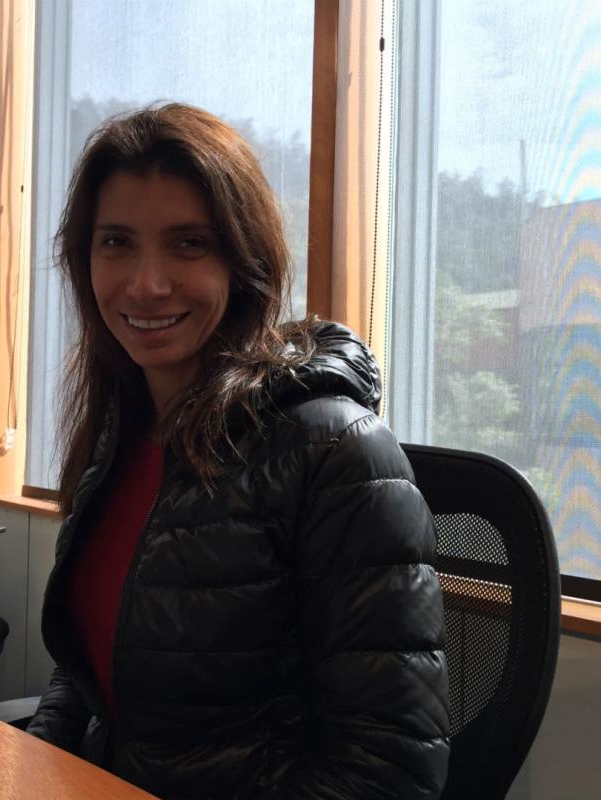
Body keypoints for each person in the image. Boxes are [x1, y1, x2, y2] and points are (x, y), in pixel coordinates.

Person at [25, 103, 450, 799]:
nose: (146, 284)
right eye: (117, 242)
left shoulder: (335, 451)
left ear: (243, 261)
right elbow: (88, 674)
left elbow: (389, 776)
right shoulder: (120, 438)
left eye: (188, 244)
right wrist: (27, 769)